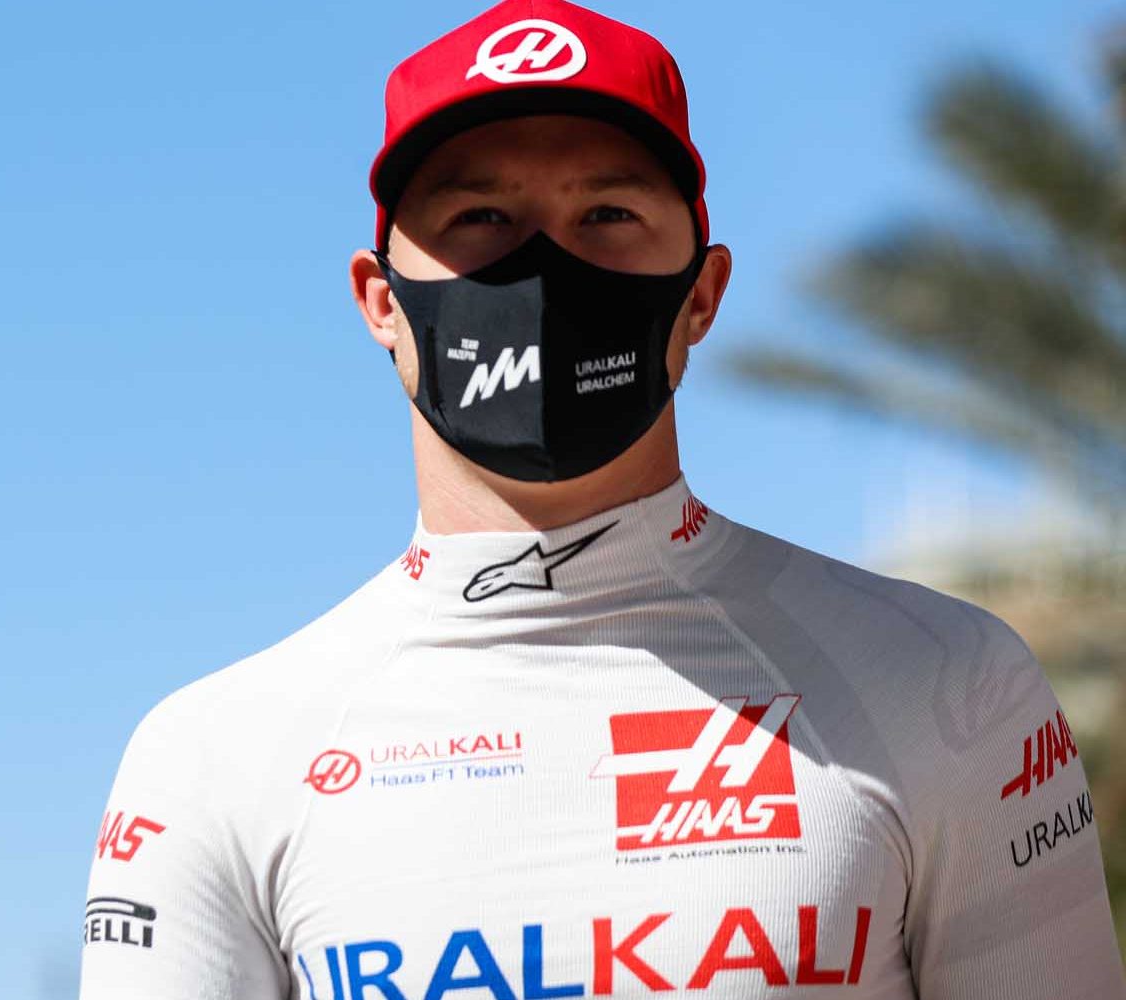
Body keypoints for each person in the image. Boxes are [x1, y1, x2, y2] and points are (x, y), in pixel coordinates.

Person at [78, 1, 1126, 997]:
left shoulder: (949, 686)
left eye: (608, 212)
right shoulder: (213, 760)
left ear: (703, 295)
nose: (545, 264)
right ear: (379, 302)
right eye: (480, 215)